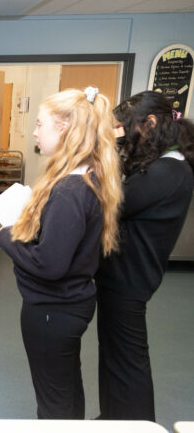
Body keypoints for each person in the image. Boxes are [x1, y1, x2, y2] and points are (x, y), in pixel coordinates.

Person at [0, 87, 122, 419]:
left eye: (40, 124)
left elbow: (49, 264)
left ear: (65, 128)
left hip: (53, 310)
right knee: (66, 389)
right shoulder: (87, 178)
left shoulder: (69, 190)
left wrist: (6, 235)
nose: (35, 132)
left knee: (53, 402)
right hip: (70, 305)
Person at [95, 91, 194, 421]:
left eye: (125, 127)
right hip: (123, 278)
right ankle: (111, 421)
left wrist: (103, 152)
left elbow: (111, 205)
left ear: (149, 124)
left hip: (129, 281)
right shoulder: (163, 166)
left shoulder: (167, 171)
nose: (122, 135)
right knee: (114, 356)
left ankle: (135, 425)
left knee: (128, 364)